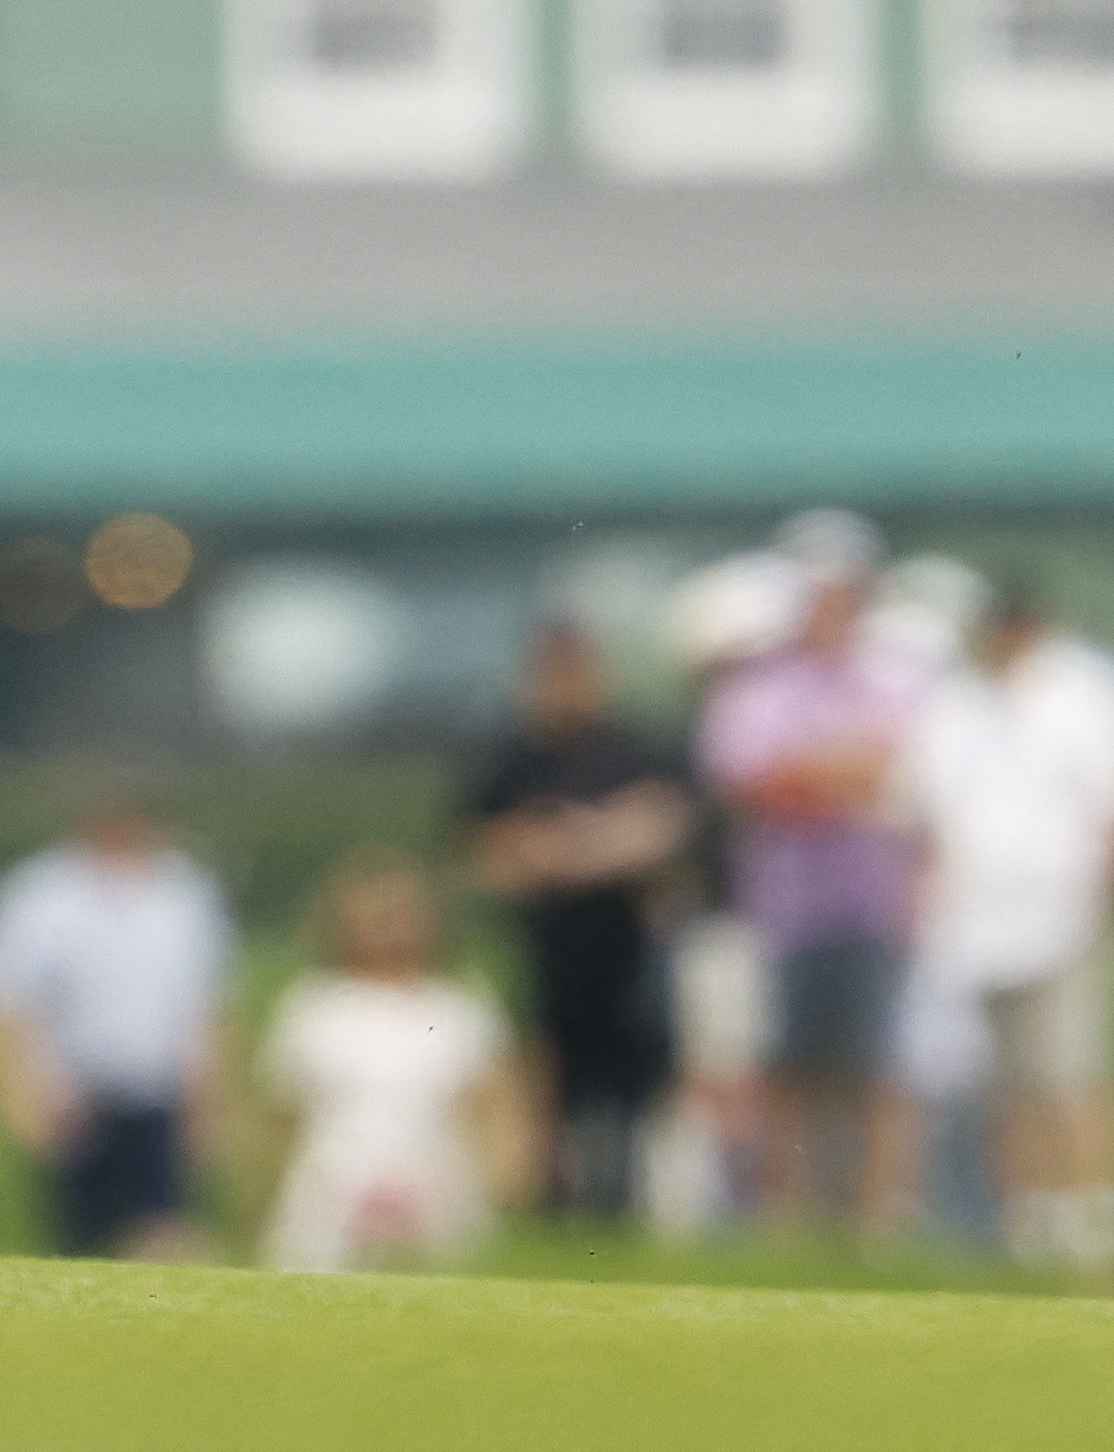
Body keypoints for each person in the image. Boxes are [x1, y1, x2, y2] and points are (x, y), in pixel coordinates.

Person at [903, 579, 1114, 1274]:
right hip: (976, 924)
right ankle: (1031, 1214)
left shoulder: (1089, 693)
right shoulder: (959, 703)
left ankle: (1096, 1210)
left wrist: (1103, 899)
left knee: (1071, 1068)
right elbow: (926, 810)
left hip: (1066, 914)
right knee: (1007, 1079)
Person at [692, 508, 928, 1234]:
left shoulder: (896, 673)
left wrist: (813, 767)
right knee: (781, 1065)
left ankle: (876, 1219)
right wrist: (839, 768)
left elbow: (904, 766)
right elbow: (751, 777)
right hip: (783, 907)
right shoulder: (757, 683)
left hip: (871, 901)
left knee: (875, 1065)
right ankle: (784, 1215)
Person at [463, 620, 690, 1219]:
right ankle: (554, 1196)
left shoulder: (632, 750)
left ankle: (621, 1196)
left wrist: (565, 847)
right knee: (548, 1074)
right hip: (544, 947)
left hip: (624, 945)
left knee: (627, 1079)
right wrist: (596, 842)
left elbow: (660, 831)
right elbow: (489, 852)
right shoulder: (513, 760)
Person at [0, 780, 235, 1259]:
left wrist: (209, 1098)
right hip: (72, 1096)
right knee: (84, 1239)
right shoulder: (39, 894)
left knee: (167, 1229)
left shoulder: (184, 893)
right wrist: (15, 1094)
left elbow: (207, 1006)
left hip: (158, 1092)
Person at [257, 849, 524, 1273]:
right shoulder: (312, 1005)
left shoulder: (458, 1006)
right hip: (332, 1183)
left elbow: (496, 1101)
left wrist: (505, 1176)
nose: (385, 929)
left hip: (438, 1179)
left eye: (398, 915)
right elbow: (281, 1112)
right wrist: (263, 1192)